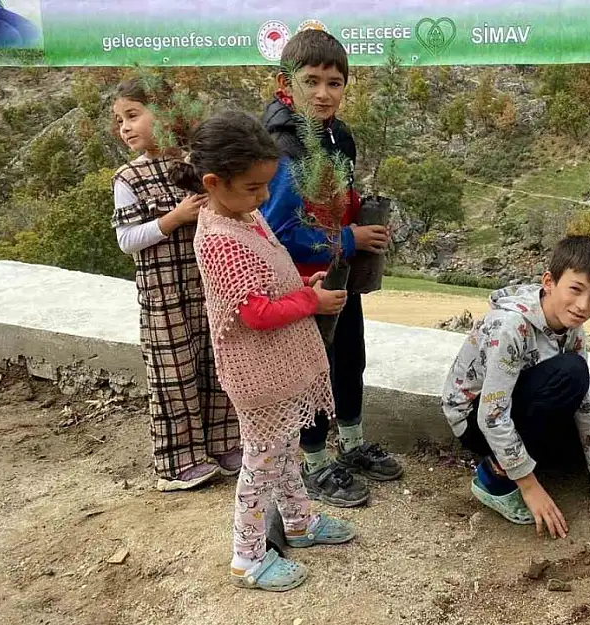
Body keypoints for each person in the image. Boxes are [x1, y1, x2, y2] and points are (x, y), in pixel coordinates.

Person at [176, 110, 356, 592]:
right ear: (213, 182)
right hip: (257, 373)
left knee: (285, 451)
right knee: (260, 463)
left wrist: (300, 281)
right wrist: (310, 300)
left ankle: (298, 523)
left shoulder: (245, 216)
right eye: (254, 188)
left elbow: (268, 279)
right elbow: (254, 311)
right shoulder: (218, 237)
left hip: (279, 365)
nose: (262, 198)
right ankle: (247, 557)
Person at [260, 28, 400, 510]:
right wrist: (348, 238)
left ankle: (353, 440)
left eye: (334, 82)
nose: (323, 93)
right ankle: (316, 461)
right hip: (303, 280)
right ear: (286, 83)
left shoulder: (339, 136)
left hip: (338, 271)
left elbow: (338, 197)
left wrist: (363, 217)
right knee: (314, 368)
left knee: (349, 357)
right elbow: (276, 230)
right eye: (311, 80)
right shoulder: (283, 147)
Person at [442, 236, 590, 538]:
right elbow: (491, 416)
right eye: (576, 290)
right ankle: (495, 478)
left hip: (521, 400)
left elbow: (588, 395)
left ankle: (539, 456)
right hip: (476, 421)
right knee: (572, 372)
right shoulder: (511, 327)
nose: (583, 306)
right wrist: (529, 487)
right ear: (549, 281)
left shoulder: (570, 325)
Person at [110, 77, 240, 492]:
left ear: (166, 114)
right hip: (163, 295)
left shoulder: (194, 165)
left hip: (207, 287)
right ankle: (178, 461)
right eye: (119, 120)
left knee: (217, 367)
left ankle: (223, 444)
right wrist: (174, 219)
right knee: (173, 376)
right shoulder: (128, 178)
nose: (125, 128)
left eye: (133, 115)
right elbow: (127, 240)